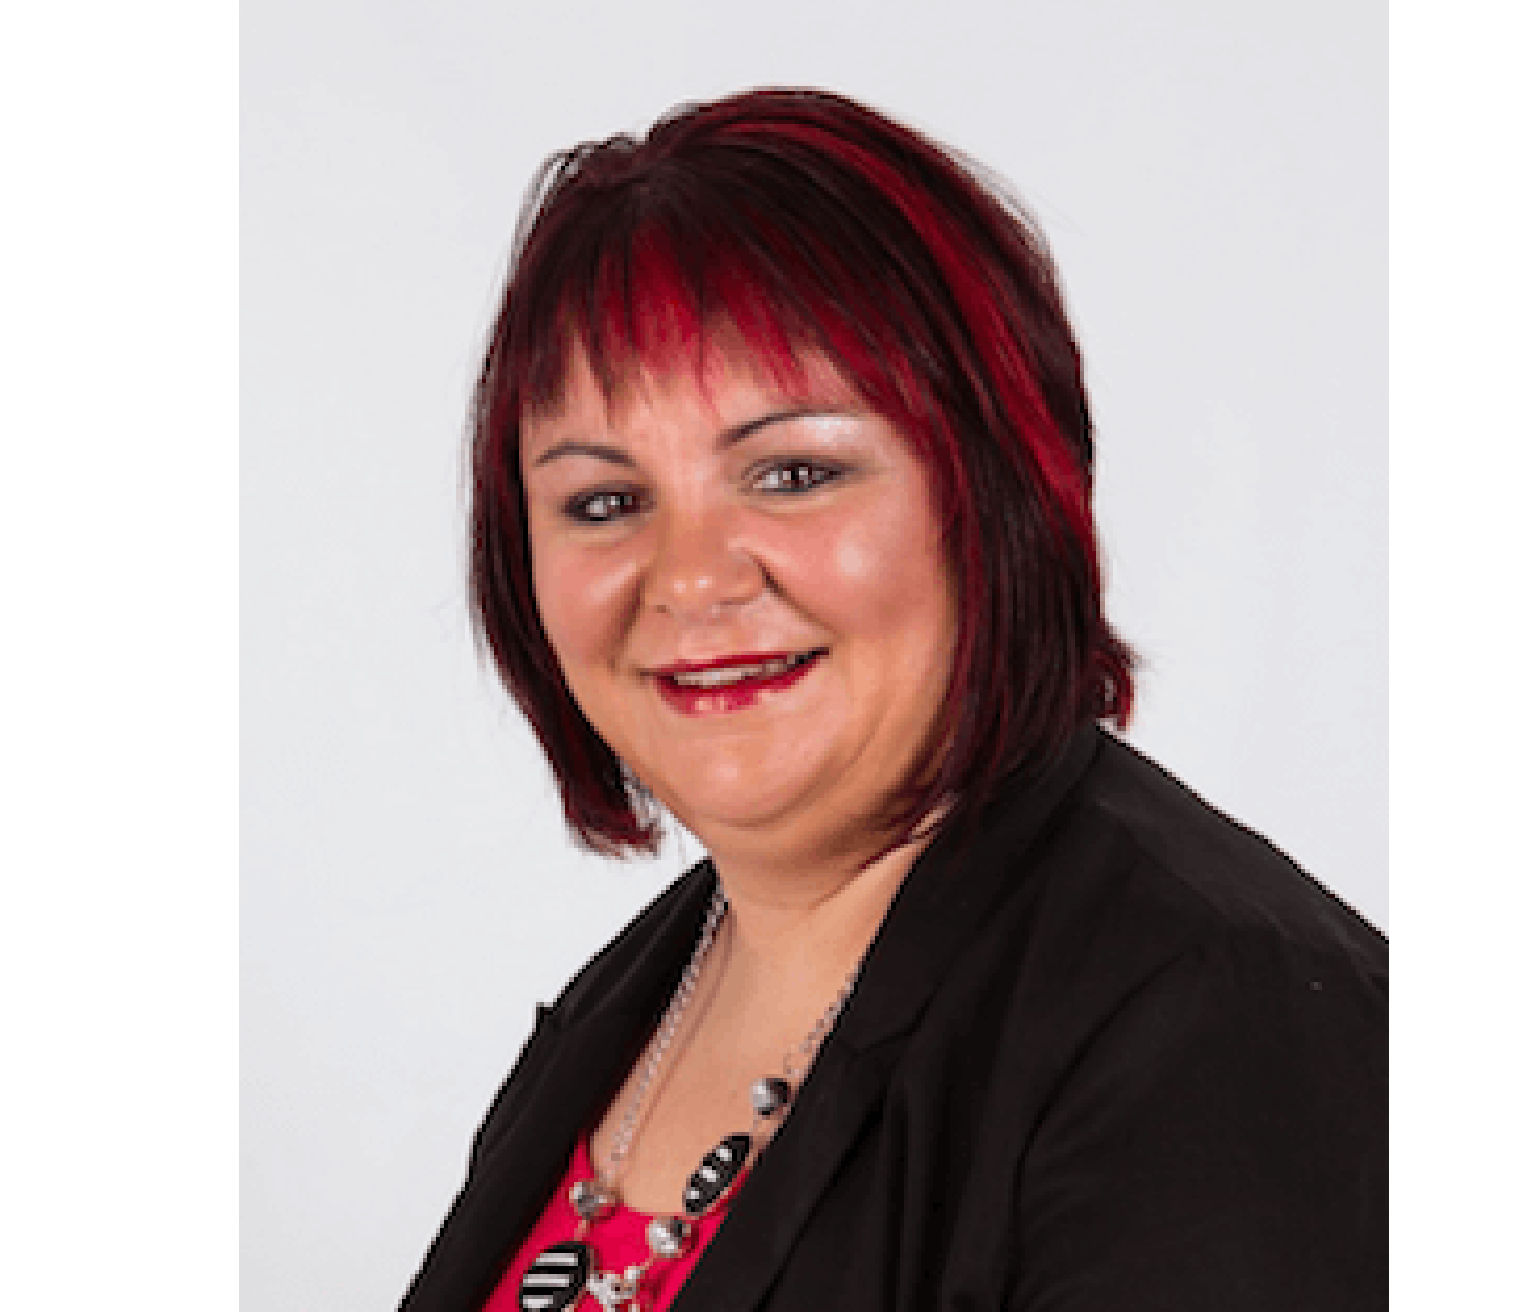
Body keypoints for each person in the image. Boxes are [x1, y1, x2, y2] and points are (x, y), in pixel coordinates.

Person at [399, 89, 1384, 1312]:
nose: (692, 575)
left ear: (993, 490)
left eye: (794, 472)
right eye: (604, 501)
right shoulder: (633, 1005)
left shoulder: (1214, 1026)